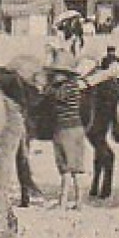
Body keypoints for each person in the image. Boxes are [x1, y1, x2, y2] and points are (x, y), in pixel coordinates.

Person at [41, 58, 87, 210]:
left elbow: (51, 94)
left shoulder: (65, 87)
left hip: (65, 129)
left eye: (56, 73)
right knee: (76, 167)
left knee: (66, 169)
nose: (54, 75)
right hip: (76, 127)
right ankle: (79, 201)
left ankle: (63, 202)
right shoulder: (74, 86)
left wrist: (47, 85)